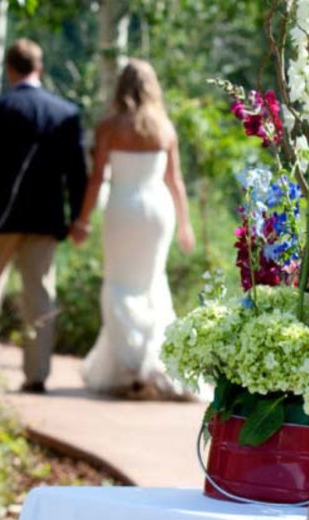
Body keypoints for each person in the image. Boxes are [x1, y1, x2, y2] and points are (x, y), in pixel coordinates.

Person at [0, 39, 88, 394]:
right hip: (46, 220)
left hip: (1, 217)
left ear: (10, 69)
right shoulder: (65, 113)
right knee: (40, 295)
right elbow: (77, 173)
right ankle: (37, 374)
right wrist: (78, 217)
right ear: (40, 69)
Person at [75, 58, 195, 399]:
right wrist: (185, 225)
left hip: (123, 209)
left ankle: (130, 365)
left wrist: (82, 221)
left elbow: (97, 178)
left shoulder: (109, 127)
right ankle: (153, 363)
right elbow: (176, 181)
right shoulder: (164, 127)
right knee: (152, 283)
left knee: (120, 283)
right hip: (158, 210)